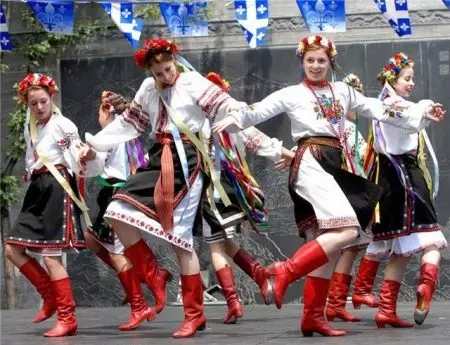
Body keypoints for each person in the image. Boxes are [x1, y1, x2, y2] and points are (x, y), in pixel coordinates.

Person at [213, 35, 444, 337]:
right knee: (347, 230)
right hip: (310, 161)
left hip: (334, 165)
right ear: (302, 62)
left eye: (321, 60)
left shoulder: (344, 92)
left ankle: (312, 317)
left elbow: (380, 109)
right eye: (310, 60)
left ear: (330, 62)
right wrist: (229, 117)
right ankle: (285, 271)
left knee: (331, 246)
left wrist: (422, 112)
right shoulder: (293, 94)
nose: (316, 65)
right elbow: (256, 111)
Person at [84, 38, 261, 338]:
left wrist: (236, 119)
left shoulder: (193, 82)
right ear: (150, 72)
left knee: (180, 240)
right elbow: (129, 124)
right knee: (115, 210)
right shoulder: (148, 90)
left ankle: (194, 315)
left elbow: (227, 106)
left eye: (168, 69)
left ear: (175, 62)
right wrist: (95, 144)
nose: (166, 77)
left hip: (189, 160)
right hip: (158, 157)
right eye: (158, 73)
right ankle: (154, 274)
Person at [5, 73, 103, 337]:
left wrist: (88, 155)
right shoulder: (31, 126)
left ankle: (67, 318)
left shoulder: (63, 125)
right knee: (12, 250)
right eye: (34, 103)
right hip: (37, 189)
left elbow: (78, 157)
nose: (39, 107)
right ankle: (49, 295)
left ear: (52, 98)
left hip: (56, 186)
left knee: (51, 257)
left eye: (43, 102)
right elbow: (31, 157)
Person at [201, 72, 295, 324]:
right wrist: (291, 155)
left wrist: (293, 156)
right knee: (223, 241)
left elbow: (259, 141)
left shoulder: (224, 121)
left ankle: (233, 301)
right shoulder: (205, 121)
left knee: (215, 245)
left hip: (215, 189)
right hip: (220, 189)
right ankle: (259, 276)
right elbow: (260, 142)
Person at [362, 52, 447, 327]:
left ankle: (386, 309)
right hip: (405, 177)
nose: (411, 83)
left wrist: (424, 112)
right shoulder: (392, 105)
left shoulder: (384, 105)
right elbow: (410, 116)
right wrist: (427, 108)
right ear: (392, 79)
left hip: (389, 180)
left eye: (412, 78)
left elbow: (412, 118)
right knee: (433, 241)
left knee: (400, 251)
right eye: (406, 78)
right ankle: (426, 286)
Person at [83, 91, 155, 330]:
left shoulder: (109, 137)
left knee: (116, 252)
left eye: (99, 112)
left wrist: (87, 154)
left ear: (106, 112)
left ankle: (138, 304)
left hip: (117, 194)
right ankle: (136, 278)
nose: (98, 116)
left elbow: (97, 164)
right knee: (91, 239)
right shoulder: (127, 137)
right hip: (113, 195)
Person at [325, 74, 381, 322]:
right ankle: (333, 303)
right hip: (347, 192)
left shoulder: (347, 129)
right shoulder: (343, 130)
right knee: (347, 248)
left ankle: (334, 303)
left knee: (347, 248)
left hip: (346, 191)